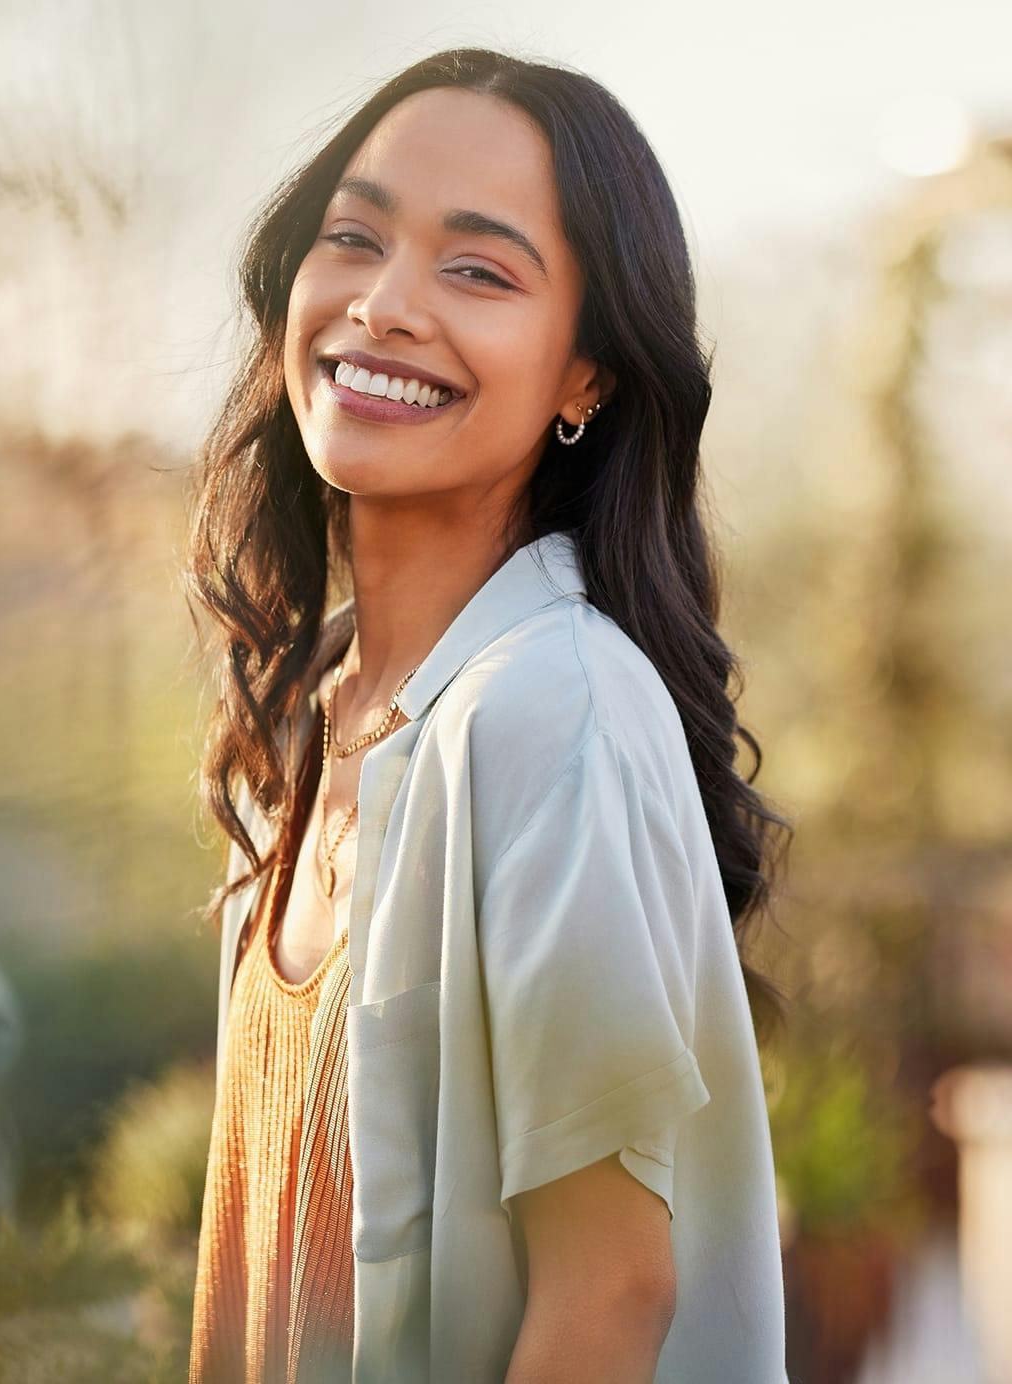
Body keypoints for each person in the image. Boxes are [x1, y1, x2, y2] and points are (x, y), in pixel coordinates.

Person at [184, 46, 793, 1384]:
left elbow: (611, 1297)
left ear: (589, 377)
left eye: (479, 269)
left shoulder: (547, 712)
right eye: (354, 238)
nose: (386, 305)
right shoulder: (308, 718)